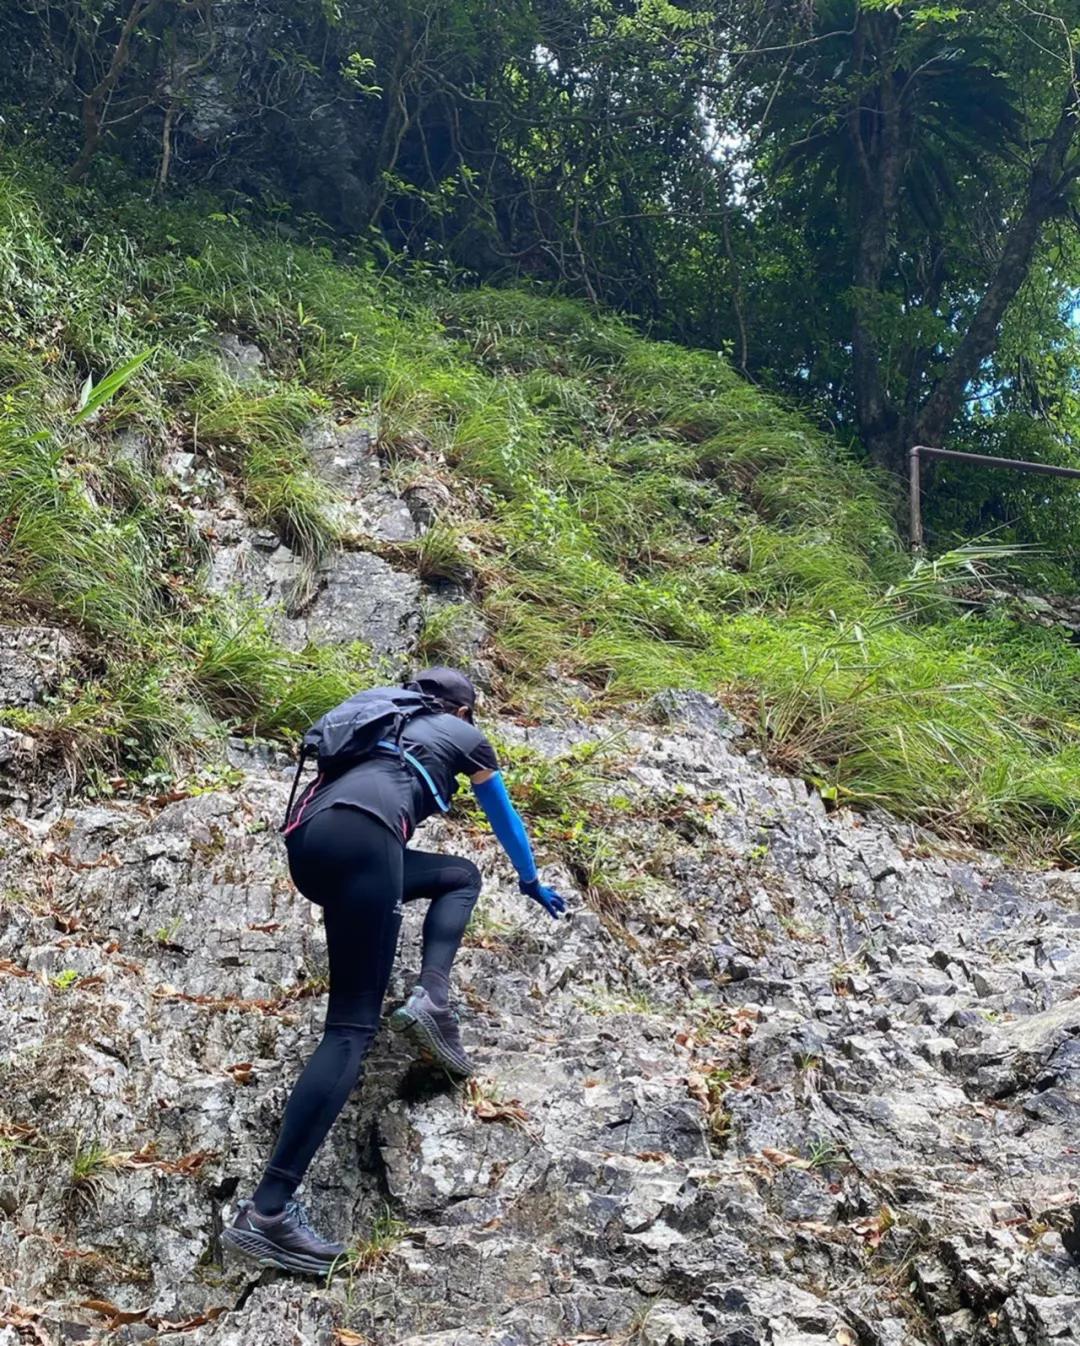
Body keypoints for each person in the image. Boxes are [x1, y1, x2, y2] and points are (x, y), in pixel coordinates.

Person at [223, 666, 566, 1276]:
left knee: (458, 874)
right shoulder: (461, 735)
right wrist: (532, 880)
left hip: (310, 845)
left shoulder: (379, 717)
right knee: (350, 1030)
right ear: (463, 711)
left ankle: (431, 995)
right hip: (369, 837)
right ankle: (268, 1212)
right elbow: (504, 816)